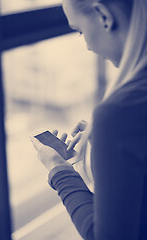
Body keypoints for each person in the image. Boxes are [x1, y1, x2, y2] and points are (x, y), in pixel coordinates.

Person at [31, 0, 147, 239]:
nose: (86, 45)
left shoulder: (117, 114)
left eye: (80, 30)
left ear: (103, 15)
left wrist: (59, 170)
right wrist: (113, 149)